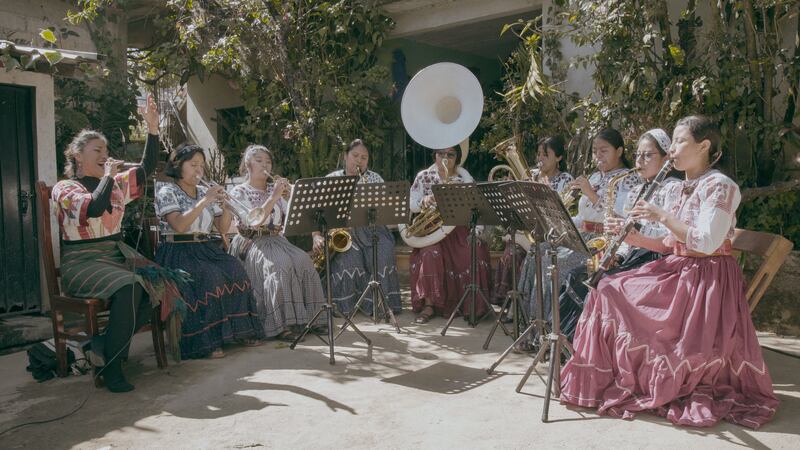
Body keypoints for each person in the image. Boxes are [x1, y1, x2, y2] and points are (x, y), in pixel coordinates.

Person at [560, 115, 778, 429]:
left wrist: (661, 215)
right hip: (678, 267)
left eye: (679, 141)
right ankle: (624, 376)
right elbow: (666, 244)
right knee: (607, 286)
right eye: (672, 141)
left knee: (617, 292)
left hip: (708, 278)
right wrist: (633, 237)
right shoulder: (679, 188)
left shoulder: (720, 185)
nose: (672, 149)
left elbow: (705, 243)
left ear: (703, 146)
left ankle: (652, 377)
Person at [53, 96, 184, 392]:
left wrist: (152, 128)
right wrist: (109, 178)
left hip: (114, 255)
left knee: (156, 286)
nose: (104, 155)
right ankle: (113, 371)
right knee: (132, 286)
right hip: (81, 262)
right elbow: (95, 207)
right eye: (97, 150)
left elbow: (147, 166)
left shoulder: (115, 183)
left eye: (106, 150)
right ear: (77, 156)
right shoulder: (65, 189)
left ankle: (101, 345)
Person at [557, 128, 681, 339]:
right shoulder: (638, 190)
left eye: (648, 155)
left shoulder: (673, 188)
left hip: (656, 256)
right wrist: (619, 254)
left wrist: (630, 230)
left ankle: (590, 345)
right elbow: (626, 235)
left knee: (601, 283)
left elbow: (667, 235)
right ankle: (570, 342)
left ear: (666, 157)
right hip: (633, 253)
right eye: (638, 155)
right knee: (575, 275)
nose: (640, 160)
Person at [518, 129, 641, 336]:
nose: (598, 156)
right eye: (594, 151)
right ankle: (532, 325)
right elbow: (584, 216)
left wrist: (591, 194)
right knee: (537, 251)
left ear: (619, 151)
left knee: (552, 262)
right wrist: (560, 221)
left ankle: (552, 330)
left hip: (603, 241)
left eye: (604, 150)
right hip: (583, 234)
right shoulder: (594, 176)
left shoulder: (627, 179)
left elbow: (620, 217)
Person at [155, 144, 263, 360]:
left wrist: (224, 206)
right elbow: (179, 225)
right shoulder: (167, 191)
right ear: (178, 166)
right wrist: (205, 200)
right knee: (210, 276)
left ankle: (238, 332)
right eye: (193, 165)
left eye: (201, 166)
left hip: (204, 248)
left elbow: (222, 229)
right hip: (178, 250)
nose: (198, 170)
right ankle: (207, 341)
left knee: (235, 269)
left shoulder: (204, 191)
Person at [228, 145, 325, 341]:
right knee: (280, 265)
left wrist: (291, 197)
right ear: (248, 164)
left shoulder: (276, 189)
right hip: (253, 241)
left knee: (304, 261)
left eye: (268, 162)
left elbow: (293, 219)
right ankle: (281, 324)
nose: (265, 165)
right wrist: (273, 197)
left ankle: (311, 319)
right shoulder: (239, 191)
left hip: (277, 239)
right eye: (259, 161)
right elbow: (252, 221)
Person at [313, 139, 402, 317]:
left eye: (364, 157)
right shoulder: (332, 179)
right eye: (355, 156)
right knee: (348, 259)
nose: (359, 161)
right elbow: (316, 213)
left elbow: (386, 212)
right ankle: (345, 305)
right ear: (345, 156)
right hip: (345, 233)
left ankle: (380, 305)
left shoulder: (375, 178)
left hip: (373, 231)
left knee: (384, 252)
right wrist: (315, 235)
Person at [408, 144, 492, 324]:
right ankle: (430, 305)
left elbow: (476, 209)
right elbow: (411, 204)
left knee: (474, 250)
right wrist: (424, 201)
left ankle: (471, 305)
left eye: (450, 155)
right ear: (434, 155)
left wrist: (476, 231)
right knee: (430, 253)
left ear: (457, 158)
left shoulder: (464, 180)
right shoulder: (424, 177)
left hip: (458, 230)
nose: (445, 158)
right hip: (431, 230)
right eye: (440, 153)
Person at [491, 136, 574, 305]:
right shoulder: (531, 176)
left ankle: (524, 306)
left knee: (526, 254)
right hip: (528, 231)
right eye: (538, 154)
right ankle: (512, 304)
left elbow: (562, 213)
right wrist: (510, 191)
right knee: (511, 253)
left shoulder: (566, 180)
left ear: (558, 158)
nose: (540, 159)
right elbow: (517, 209)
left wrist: (547, 193)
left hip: (549, 236)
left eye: (545, 155)